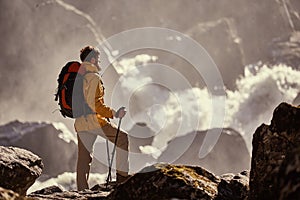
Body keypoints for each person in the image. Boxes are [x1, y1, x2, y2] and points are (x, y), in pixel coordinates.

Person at [74, 46, 129, 190]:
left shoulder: (78, 77)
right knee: (122, 139)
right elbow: (95, 104)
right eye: (98, 60)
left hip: (80, 123)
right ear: (92, 60)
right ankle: (122, 179)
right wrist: (114, 113)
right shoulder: (93, 77)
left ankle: (81, 190)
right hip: (95, 122)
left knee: (83, 159)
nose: (99, 62)